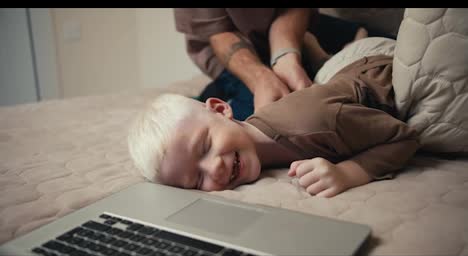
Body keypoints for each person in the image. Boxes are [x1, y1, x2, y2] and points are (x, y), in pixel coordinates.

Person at [127, 36, 420, 198]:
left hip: (374, 67)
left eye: (205, 147)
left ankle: (342, 40)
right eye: (196, 180)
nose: (214, 169)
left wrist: (348, 173)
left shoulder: (316, 122)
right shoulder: (247, 144)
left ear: (221, 110)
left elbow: (403, 137)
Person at [173, 8, 391, 121]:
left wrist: (285, 58)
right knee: (259, 120)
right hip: (230, 44)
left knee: (394, 51)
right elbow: (220, 33)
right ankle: (218, 91)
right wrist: (262, 79)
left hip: (300, 26)